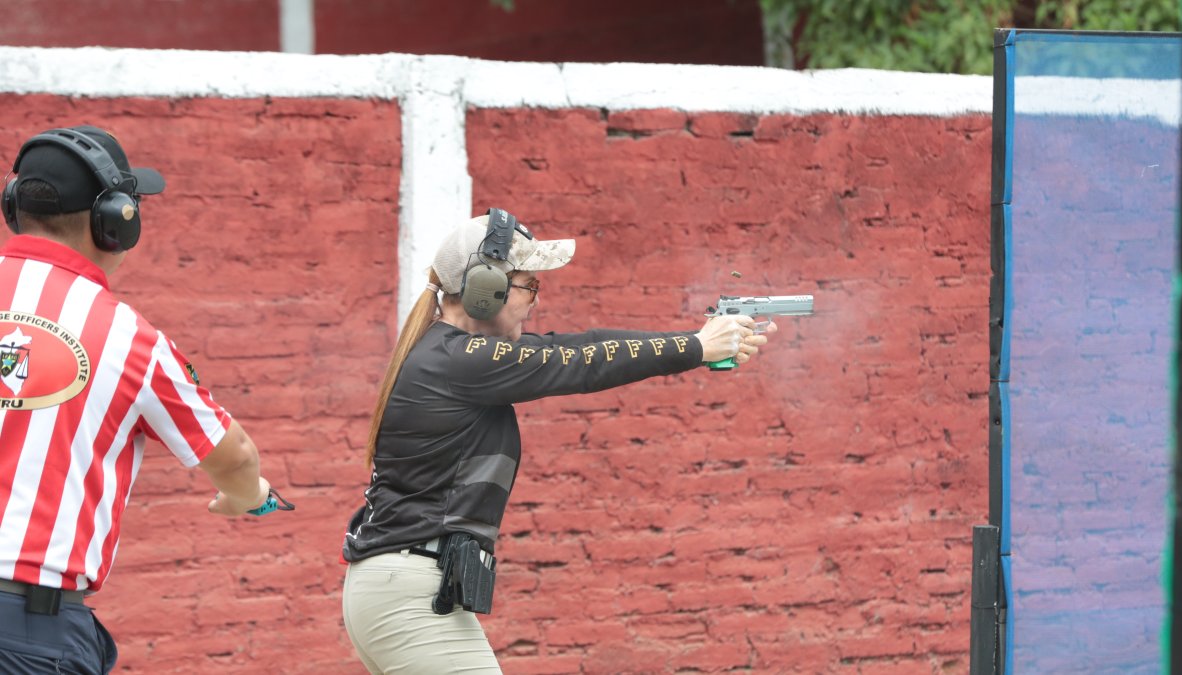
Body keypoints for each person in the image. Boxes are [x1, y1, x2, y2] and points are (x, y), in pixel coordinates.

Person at [341, 207, 775, 673]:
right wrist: (696, 346)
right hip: (408, 595)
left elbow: (574, 347)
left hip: (402, 588)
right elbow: (577, 359)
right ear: (486, 290)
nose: (536, 301)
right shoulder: (457, 359)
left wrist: (696, 344)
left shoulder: (448, 355)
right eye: (530, 285)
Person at [0, 125, 276, 674]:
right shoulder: (131, 340)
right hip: (28, 630)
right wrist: (246, 495)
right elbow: (236, 456)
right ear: (115, 221)